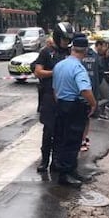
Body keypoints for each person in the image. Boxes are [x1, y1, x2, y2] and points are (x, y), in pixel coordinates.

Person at [52, 34, 98, 187]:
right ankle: (65, 176)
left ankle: (70, 170)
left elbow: (55, 89)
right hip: (74, 107)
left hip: (61, 105)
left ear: (72, 49)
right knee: (72, 141)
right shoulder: (79, 68)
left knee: (61, 139)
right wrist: (93, 104)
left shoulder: (59, 65)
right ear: (85, 52)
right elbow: (85, 90)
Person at [33, 23, 72, 172]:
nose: (66, 42)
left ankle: (56, 160)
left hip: (64, 96)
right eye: (63, 39)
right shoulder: (46, 52)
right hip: (49, 95)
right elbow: (38, 72)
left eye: (68, 40)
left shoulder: (69, 53)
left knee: (61, 131)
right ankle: (44, 160)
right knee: (48, 130)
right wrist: (55, 72)